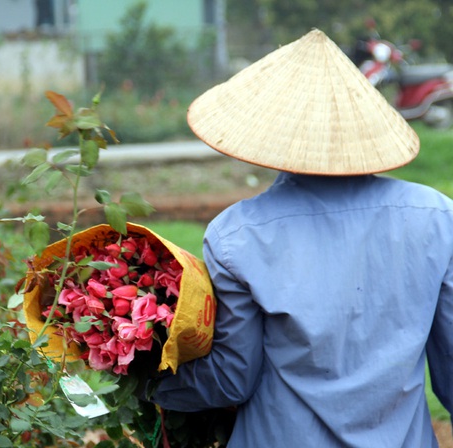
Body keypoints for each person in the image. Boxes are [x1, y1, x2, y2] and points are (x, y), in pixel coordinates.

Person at [147, 29, 453, 447]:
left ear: (267, 130)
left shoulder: (238, 235)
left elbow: (231, 380)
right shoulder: (436, 217)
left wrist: (146, 378)